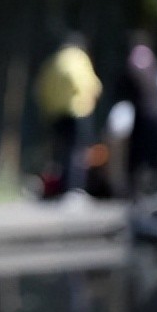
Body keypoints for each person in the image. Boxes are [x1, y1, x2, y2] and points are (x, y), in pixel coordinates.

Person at [36, 33, 103, 199]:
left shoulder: (53, 61)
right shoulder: (79, 58)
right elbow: (88, 83)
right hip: (78, 110)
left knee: (61, 152)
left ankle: (60, 188)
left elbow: (41, 87)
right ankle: (75, 189)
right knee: (78, 152)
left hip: (56, 113)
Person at [114, 35, 157, 199]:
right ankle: (154, 187)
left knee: (137, 155)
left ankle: (136, 190)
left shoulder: (132, 67)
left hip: (141, 117)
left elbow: (122, 90)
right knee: (154, 153)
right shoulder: (156, 67)